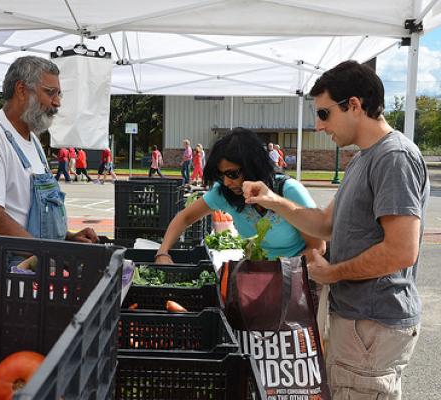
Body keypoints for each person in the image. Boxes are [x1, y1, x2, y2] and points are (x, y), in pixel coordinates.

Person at [242, 60, 430, 400]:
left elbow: (402, 250)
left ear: (354, 105)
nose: (318, 125)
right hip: (358, 323)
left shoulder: (394, 157)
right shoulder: (364, 158)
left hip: (371, 325)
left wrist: (333, 273)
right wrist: (272, 200)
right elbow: (327, 224)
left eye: (324, 113)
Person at [0, 56, 98, 270]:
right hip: (10, 272)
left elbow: (22, 213)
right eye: (49, 92)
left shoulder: (31, 139)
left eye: (58, 93)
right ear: (22, 90)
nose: (57, 102)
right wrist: (50, 254)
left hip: (38, 265)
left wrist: (68, 239)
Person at [156, 128, 325, 264]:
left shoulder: (289, 191)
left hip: (299, 276)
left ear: (252, 166)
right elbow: (185, 218)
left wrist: (281, 271)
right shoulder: (223, 192)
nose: (227, 182)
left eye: (232, 174)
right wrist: (162, 253)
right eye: (222, 176)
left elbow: (317, 246)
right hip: (256, 274)